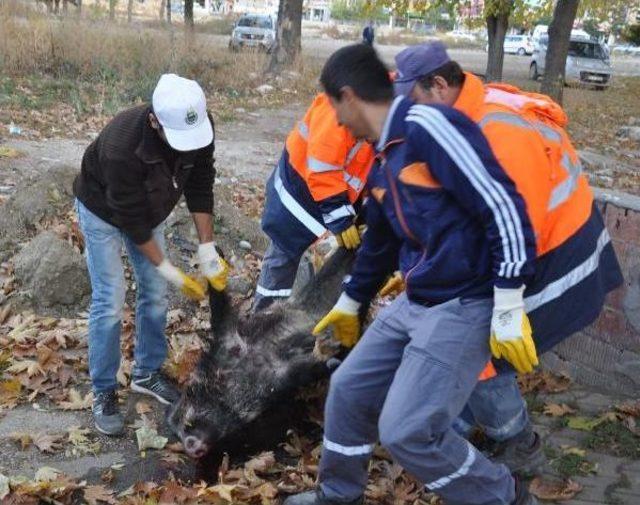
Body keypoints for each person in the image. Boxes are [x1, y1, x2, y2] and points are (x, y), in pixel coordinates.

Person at [390, 41, 623, 474]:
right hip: (538, 243)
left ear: (440, 85)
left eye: (414, 101)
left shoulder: (501, 133)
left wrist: (505, 303)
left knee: (482, 355)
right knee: (465, 336)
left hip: (558, 253)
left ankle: (518, 442)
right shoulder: (463, 114)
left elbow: (517, 228)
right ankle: (454, 422)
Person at [73, 74, 229, 436]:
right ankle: (104, 390)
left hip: (152, 209)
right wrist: (170, 270)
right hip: (103, 212)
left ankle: (146, 372)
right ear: (154, 120)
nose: (186, 147)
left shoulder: (199, 124)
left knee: (155, 293)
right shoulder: (120, 146)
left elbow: (201, 183)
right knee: (110, 299)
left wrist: (207, 247)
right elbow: (132, 221)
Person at [254, 93, 374, 311]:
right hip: (298, 195)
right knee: (282, 257)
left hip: (337, 198)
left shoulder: (389, 108)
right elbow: (322, 167)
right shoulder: (345, 105)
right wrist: (340, 216)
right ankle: (261, 323)